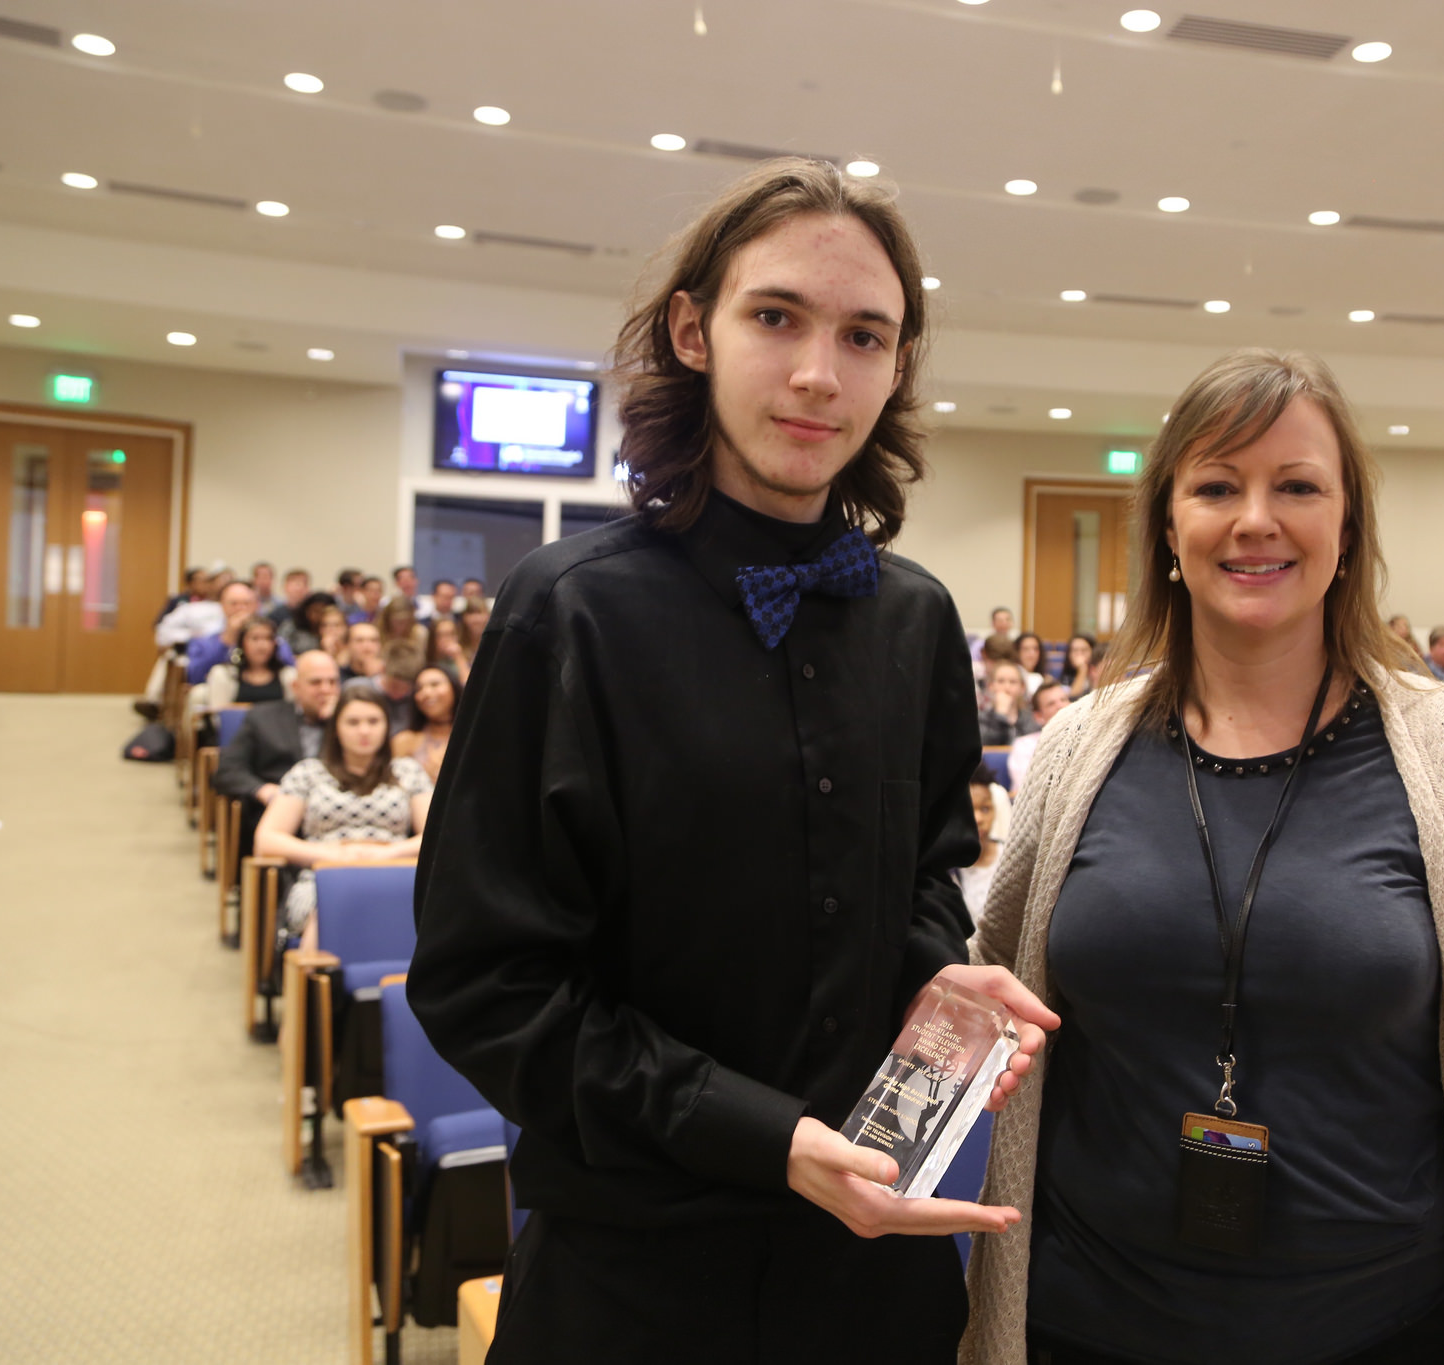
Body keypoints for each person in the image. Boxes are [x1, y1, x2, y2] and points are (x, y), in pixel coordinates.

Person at [406, 158, 1055, 1364]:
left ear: (896, 367)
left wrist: (940, 985)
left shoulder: (915, 619)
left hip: (873, 1277)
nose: (818, 373)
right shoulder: (568, 612)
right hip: (634, 1277)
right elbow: (483, 985)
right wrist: (763, 1137)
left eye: (863, 336)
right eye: (776, 318)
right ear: (692, 331)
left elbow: (923, 877)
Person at [964, 349, 1444, 1365]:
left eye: (1296, 486)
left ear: (1348, 528)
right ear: (1168, 528)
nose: (1255, 519)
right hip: (1086, 1317)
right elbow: (986, 995)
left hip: (1379, 1325)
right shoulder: (1080, 746)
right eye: (1216, 487)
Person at [254, 687, 431, 944]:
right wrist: (333, 855)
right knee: (332, 907)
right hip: (323, 876)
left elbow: (435, 838)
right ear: (336, 728)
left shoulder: (408, 771)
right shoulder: (308, 773)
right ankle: (314, 971)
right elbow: (267, 839)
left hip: (394, 872)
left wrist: (387, 854)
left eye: (373, 721)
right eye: (353, 722)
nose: (364, 731)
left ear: (387, 726)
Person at [210, 651, 342, 863]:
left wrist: (337, 722)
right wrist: (261, 790)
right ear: (296, 687)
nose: (326, 690)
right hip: (278, 811)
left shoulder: (349, 724)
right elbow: (227, 770)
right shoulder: (263, 718)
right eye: (316, 682)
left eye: (332, 682)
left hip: (336, 817)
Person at [185, 581, 293, 685]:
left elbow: (289, 669)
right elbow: (195, 677)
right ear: (222, 606)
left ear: (256, 606)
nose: (241, 609)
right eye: (234, 603)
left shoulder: (272, 640)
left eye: (246, 603)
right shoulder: (202, 642)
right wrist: (226, 641)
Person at [201, 616, 294, 710]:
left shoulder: (288, 675)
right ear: (241, 643)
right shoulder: (224, 675)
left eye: (268, 638)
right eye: (255, 639)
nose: (262, 646)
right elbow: (218, 714)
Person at [389, 664, 457, 781]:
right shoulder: (404, 740)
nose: (426, 693)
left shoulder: (472, 737)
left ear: (454, 688)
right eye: (419, 688)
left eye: (435, 684)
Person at [956, 763, 1001, 928]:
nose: (979, 819)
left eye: (985, 809)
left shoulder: (1009, 858)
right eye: (969, 809)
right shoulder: (947, 868)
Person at [1005, 678, 1070, 791]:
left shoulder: (1086, 738)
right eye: (1051, 704)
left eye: (1063, 700)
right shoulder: (1024, 746)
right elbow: (1026, 788)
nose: (1060, 705)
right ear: (1038, 716)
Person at [979, 658, 1040, 746]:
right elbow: (988, 746)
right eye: (1001, 681)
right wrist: (1000, 714)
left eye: (1013, 682)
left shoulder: (1031, 718)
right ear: (990, 686)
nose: (1007, 687)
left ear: (1022, 688)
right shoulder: (981, 718)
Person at [279, 590, 337, 655]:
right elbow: (281, 646)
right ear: (306, 610)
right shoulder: (292, 626)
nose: (318, 616)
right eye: (315, 611)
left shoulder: (334, 629)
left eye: (323, 612)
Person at [1059, 633, 1098, 699]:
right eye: (1075, 650)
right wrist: (1082, 669)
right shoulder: (1065, 676)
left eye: (1084, 650)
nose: (1079, 654)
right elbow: (1072, 698)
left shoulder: (1098, 671)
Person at [1012, 631, 1048, 697]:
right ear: (1017, 652)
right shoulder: (1012, 678)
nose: (1032, 654)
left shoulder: (1045, 679)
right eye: (1026, 649)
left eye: (1035, 649)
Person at [316, 606, 350, 671]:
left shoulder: (353, 651)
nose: (330, 629)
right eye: (325, 625)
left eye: (336, 625)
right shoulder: (314, 655)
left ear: (346, 628)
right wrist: (328, 651)